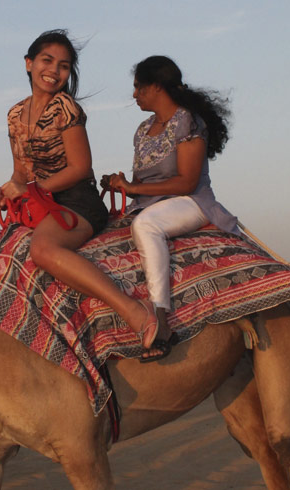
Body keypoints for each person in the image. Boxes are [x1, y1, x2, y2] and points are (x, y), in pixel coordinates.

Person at [0, 29, 161, 356]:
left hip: (77, 202)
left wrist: (32, 188)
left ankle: (134, 312)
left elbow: (81, 167)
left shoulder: (65, 109)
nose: (54, 71)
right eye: (47, 61)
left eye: (63, 65)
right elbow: (20, 171)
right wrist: (5, 192)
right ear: (29, 64)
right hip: (37, 205)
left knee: (42, 250)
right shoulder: (15, 115)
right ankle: (22, 343)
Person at [101, 55, 239, 361]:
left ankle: (161, 322)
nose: (134, 94)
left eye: (139, 87)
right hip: (151, 204)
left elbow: (186, 182)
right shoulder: (142, 130)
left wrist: (134, 188)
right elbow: (142, 180)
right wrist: (122, 183)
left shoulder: (188, 121)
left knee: (145, 226)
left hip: (192, 202)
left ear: (157, 86)